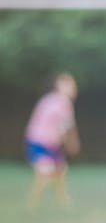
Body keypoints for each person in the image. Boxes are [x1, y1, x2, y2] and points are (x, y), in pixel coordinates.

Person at [25, 72, 80, 207]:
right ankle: (33, 202)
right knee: (46, 171)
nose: (73, 88)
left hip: (50, 144)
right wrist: (73, 143)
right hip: (39, 142)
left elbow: (62, 126)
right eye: (70, 85)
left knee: (61, 170)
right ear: (60, 86)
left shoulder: (49, 99)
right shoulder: (63, 102)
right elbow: (69, 127)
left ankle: (62, 201)